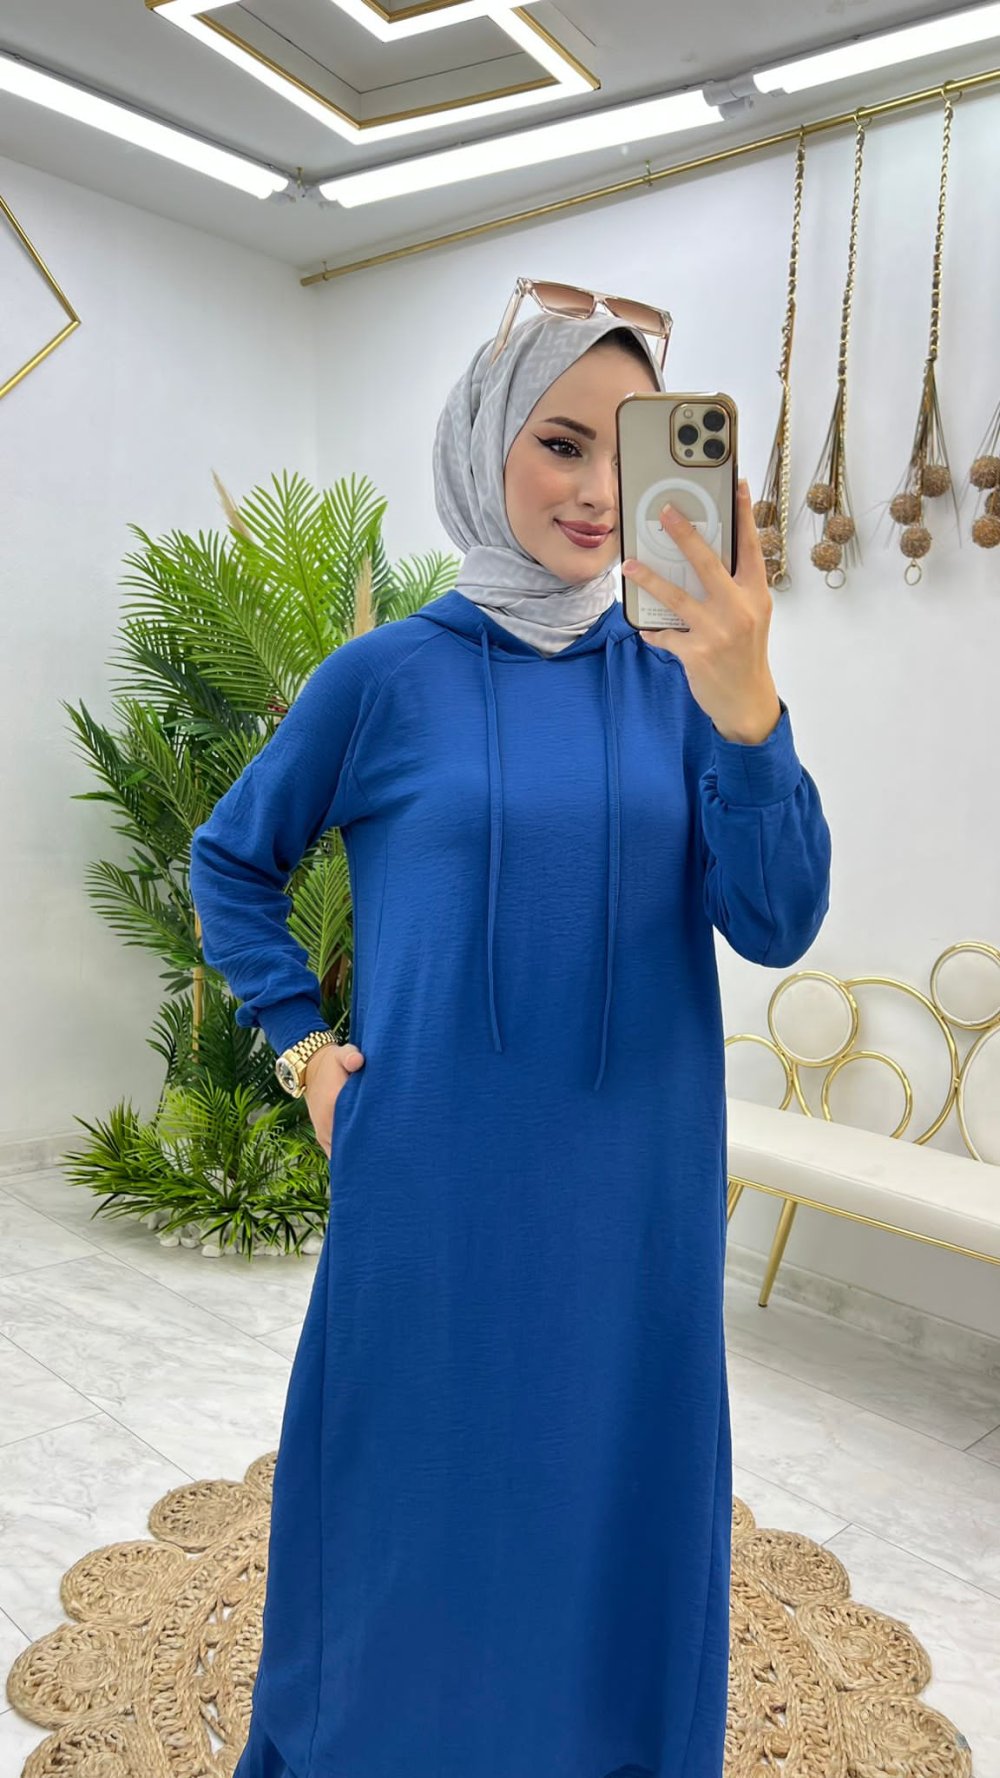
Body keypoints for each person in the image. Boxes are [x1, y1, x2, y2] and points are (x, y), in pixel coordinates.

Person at [190, 296, 832, 1778]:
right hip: (433, 1180)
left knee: (620, 1502)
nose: (599, 490)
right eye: (559, 443)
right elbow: (233, 860)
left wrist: (748, 709)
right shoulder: (382, 678)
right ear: (487, 446)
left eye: (626, 451)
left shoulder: (687, 683)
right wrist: (299, 1045)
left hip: (634, 1195)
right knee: (406, 1501)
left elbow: (779, 919)